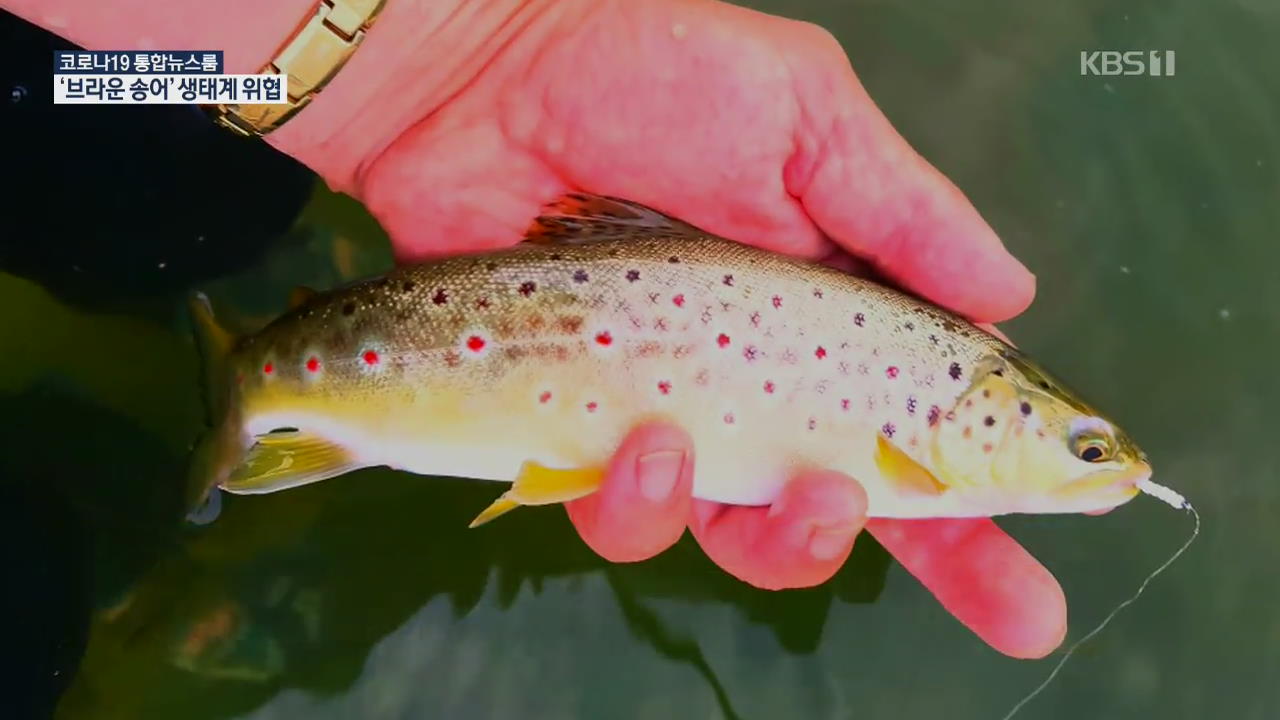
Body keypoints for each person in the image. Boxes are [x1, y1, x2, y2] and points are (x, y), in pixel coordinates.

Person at [9, 0, 1069, 659]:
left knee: (162, 188)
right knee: (158, 187)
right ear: (996, 414)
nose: (1098, 462)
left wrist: (451, 35)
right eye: (1082, 446)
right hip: (204, 98)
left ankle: (161, 310)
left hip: (191, 80)